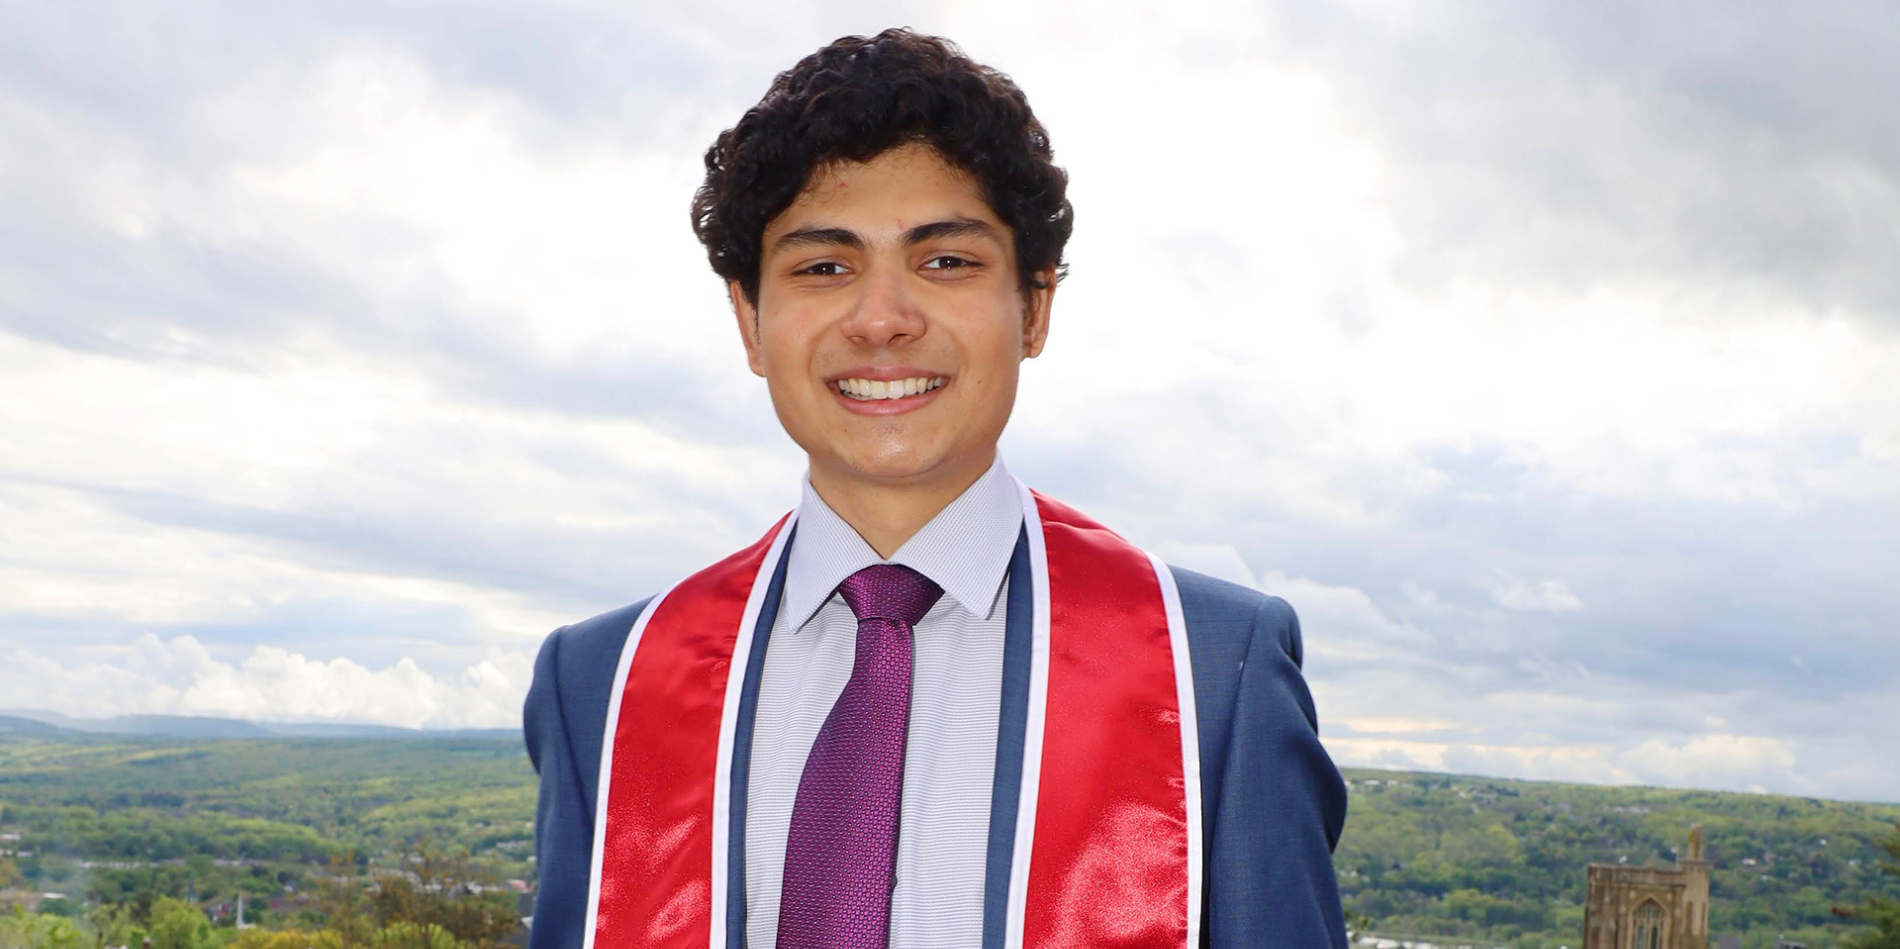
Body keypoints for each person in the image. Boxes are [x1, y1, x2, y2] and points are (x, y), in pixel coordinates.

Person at [522, 27, 1348, 949]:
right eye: (824, 266)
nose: (882, 319)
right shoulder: (606, 682)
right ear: (749, 320)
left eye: (945, 260)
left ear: (1034, 307)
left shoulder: (1211, 674)